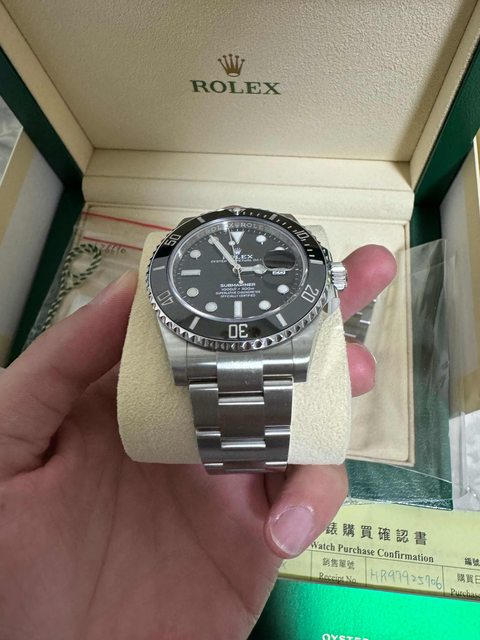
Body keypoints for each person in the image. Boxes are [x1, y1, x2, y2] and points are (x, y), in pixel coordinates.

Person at [0, 244, 396, 640]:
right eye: (232, 264)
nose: (239, 270)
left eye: (245, 265)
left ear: (329, 279)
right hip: (190, 353)